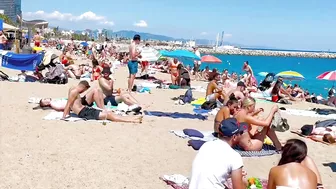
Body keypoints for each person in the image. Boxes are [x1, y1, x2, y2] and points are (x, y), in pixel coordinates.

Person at [189, 118, 247, 189]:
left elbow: (211, 170)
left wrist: (230, 174)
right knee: (243, 181)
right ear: (234, 137)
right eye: (240, 133)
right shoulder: (234, 156)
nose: (241, 136)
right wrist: (243, 181)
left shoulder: (206, 145)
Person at [62, 81, 142, 123]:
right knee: (109, 115)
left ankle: (133, 118)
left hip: (85, 110)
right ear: (84, 87)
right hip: (84, 112)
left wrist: (67, 114)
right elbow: (68, 104)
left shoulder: (72, 89)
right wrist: (64, 117)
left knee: (109, 114)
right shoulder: (74, 92)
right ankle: (132, 120)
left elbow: (70, 105)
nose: (84, 92)